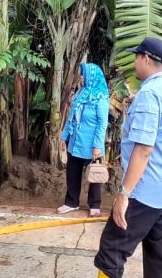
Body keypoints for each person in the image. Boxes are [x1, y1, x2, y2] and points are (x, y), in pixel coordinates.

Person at [94, 37, 162, 278]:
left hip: (144, 190)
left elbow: (144, 149)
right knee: (158, 253)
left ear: (146, 58)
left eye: (137, 57)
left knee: (111, 250)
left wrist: (124, 194)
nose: (135, 62)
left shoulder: (151, 93)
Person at [57, 63, 109, 217]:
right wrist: (64, 137)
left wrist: (98, 145)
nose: (80, 76)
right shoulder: (80, 94)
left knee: (95, 172)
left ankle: (94, 204)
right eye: (80, 73)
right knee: (73, 172)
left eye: (83, 74)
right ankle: (71, 202)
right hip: (75, 140)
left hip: (92, 143)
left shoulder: (101, 98)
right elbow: (71, 118)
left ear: (92, 77)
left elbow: (102, 123)